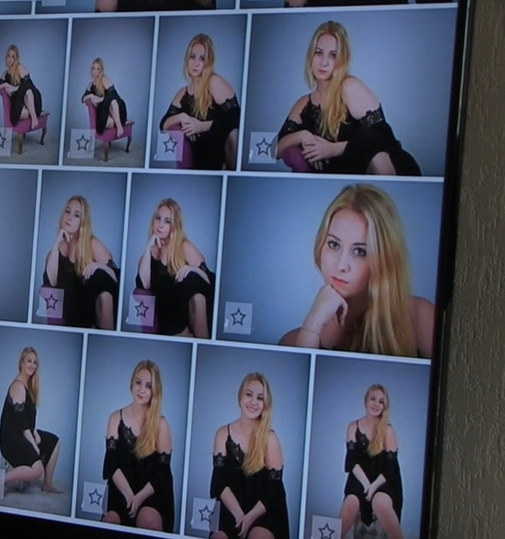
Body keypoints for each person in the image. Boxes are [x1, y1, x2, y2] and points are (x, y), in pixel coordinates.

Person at [279, 184, 434, 358]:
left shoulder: (420, 317)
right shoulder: (292, 341)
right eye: (333, 244)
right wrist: (311, 327)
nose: (341, 265)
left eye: (360, 251)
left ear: (384, 259)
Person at [275, 21, 420, 176]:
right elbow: (273, 150)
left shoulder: (349, 87)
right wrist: (302, 135)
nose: (324, 62)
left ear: (342, 60)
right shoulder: (303, 103)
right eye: (318, 53)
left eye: (333, 55)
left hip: (386, 170)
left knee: (379, 159)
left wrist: (332, 149)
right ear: (310, 56)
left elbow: (384, 139)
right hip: (341, 180)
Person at [210, 373, 289, 539]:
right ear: (240, 397)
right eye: (248, 394)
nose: (253, 402)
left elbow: (274, 491)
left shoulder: (270, 438)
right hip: (230, 508)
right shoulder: (222, 434)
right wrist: (240, 516)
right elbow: (219, 483)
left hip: (263, 510)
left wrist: (250, 517)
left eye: (260, 398)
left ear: (265, 404)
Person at [102, 360, 174, 532]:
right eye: (138, 382)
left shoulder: (161, 424)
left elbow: (162, 474)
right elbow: (111, 465)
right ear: (131, 384)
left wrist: (139, 498)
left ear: (155, 390)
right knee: (109, 521)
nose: (142, 389)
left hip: (151, 493)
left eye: (148, 386)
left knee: (147, 519)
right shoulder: (115, 418)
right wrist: (129, 496)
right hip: (121, 490)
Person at [160, 34, 240, 170]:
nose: (196, 63)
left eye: (202, 58)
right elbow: (163, 124)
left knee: (233, 134)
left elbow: (236, 116)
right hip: (199, 157)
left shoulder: (214, 82)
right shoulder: (183, 93)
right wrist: (182, 117)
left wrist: (202, 126)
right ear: (187, 59)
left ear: (208, 62)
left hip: (219, 154)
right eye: (192, 57)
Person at [135, 198, 213, 337]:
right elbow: (144, 285)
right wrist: (148, 249)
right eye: (158, 218)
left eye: (167, 221)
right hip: (166, 325)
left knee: (193, 281)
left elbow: (209, 281)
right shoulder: (146, 256)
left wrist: (193, 270)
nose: (160, 225)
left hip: (188, 320)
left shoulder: (185, 247)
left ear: (174, 225)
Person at [43, 195, 119, 329]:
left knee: (104, 293)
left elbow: (116, 278)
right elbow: (51, 282)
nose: (69, 218)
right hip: (70, 315)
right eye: (67, 211)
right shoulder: (55, 251)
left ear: (82, 222)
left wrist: (99, 266)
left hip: (91, 313)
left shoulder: (92, 244)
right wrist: (56, 243)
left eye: (76, 215)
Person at [340, 384, 403, 538]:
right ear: (365, 401)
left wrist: (373, 486)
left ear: (385, 406)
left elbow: (391, 468)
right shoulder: (353, 427)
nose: (376, 404)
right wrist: (366, 485)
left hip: (384, 480)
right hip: (360, 478)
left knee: (380, 502)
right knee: (351, 502)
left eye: (381, 401)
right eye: (373, 399)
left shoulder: (388, 430)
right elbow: (351, 462)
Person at [0, 347, 62, 493]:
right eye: (29, 361)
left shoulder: (29, 386)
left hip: (22, 434)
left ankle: (47, 484)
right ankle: (0, 481)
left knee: (54, 441)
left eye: (35, 362)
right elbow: (21, 423)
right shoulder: (18, 386)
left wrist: (34, 432)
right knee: (37, 469)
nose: (32, 365)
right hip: (11, 440)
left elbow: (28, 418)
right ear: (21, 363)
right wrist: (33, 444)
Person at [0, 45, 42, 130]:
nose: (10, 59)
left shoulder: (20, 68)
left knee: (28, 91)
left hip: (32, 100)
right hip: (19, 104)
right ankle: (33, 114)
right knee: (18, 115)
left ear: (16, 58)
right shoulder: (5, 74)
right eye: (8, 56)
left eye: (13, 57)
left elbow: (29, 85)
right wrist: (5, 85)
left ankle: (34, 118)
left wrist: (14, 88)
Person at [82, 58, 127, 138]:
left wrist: (100, 99)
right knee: (104, 124)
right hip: (104, 113)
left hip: (117, 109)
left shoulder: (104, 79)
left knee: (113, 101)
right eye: (93, 68)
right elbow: (83, 99)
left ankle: (120, 127)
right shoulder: (90, 85)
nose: (95, 71)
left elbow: (114, 96)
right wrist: (91, 96)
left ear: (101, 70)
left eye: (98, 69)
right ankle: (121, 122)